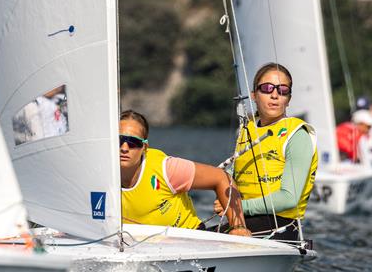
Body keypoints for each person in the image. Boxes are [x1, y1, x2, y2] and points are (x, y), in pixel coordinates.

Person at [221, 63, 318, 241]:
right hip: (242, 219)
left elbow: (289, 198)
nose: (274, 95)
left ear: (288, 99)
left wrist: (239, 206)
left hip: (280, 225)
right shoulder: (246, 129)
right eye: (266, 88)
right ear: (253, 95)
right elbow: (228, 175)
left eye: (282, 90)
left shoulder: (297, 135)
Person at [119, 110, 250, 236]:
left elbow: (222, 178)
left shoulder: (166, 168)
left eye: (133, 142)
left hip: (189, 240)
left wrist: (238, 226)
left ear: (144, 147)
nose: (124, 148)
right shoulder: (100, 175)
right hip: (137, 245)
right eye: (119, 140)